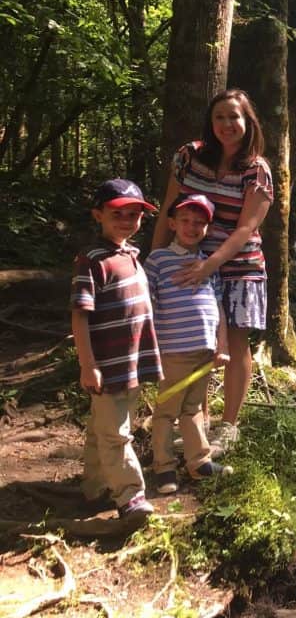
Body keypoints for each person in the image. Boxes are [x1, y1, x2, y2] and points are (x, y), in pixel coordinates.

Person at [152, 89, 272, 455]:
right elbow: (167, 209)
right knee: (194, 344)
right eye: (220, 117)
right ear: (211, 121)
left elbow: (245, 229)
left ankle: (228, 426)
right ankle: (196, 420)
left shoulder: (257, 170)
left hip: (238, 269)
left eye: (234, 117)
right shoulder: (188, 157)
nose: (226, 125)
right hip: (187, 263)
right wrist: (155, 260)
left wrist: (209, 266)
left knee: (234, 345)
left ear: (248, 122)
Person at [71, 178, 162, 520]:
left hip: (131, 363)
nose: (127, 220)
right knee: (115, 433)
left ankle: (94, 489)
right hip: (107, 364)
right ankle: (130, 495)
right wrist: (87, 364)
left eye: (135, 214)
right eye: (118, 213)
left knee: (102, 428)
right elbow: (80, 315)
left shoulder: (132, 256)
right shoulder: (92, 260)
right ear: (98, 215)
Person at [145, 193, 234, 492]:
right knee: (167, 411)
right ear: (171, 223)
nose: (192, 227)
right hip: (172, 349)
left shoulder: (208, 263)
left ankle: (198, 462)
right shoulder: (158, 259)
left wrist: (222, 345)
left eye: (200, 222)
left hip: (204, 350)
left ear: (207, 228)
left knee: (194, 408)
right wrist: (150, 346)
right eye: (185, 220)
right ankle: (164, 468)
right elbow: (149, 304)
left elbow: (218, 305)